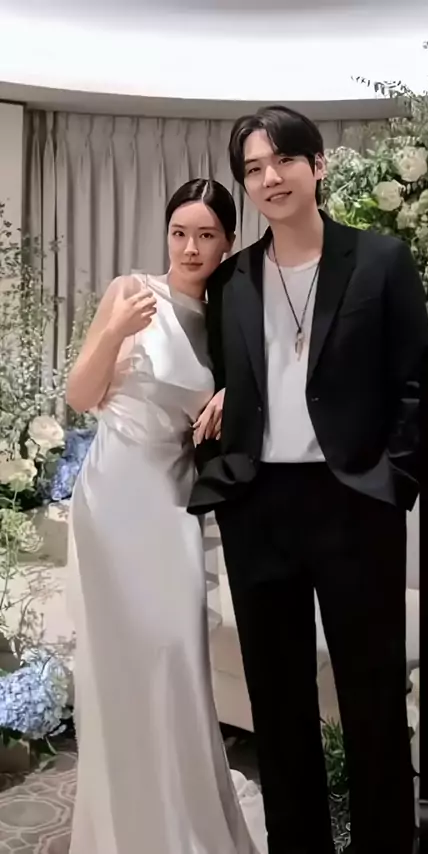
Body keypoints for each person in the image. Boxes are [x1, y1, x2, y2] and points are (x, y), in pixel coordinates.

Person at [189, 106, 428, 854]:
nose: (269, 178)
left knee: (372, 693)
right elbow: (220, 380)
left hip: (353, 500)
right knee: (279, 700)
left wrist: (392, 481)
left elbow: (417, 385)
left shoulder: (380, 261)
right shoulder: (230, 280)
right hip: (258, 504)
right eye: (252, 169)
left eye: (283, 161)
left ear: (317, 165)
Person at [66, 178, 265, 854]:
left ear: (228, 242)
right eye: (179, 233)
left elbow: (259, 387)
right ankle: (127, 828)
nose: (190, 247)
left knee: (177, 654)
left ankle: (185, 820)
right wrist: (115, 331)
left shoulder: (232, 314)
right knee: (119, 663)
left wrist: (233, 392)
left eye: (206, 235)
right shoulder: (131, 292)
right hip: (114, 494)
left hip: (175, 498)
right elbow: (81, 395)